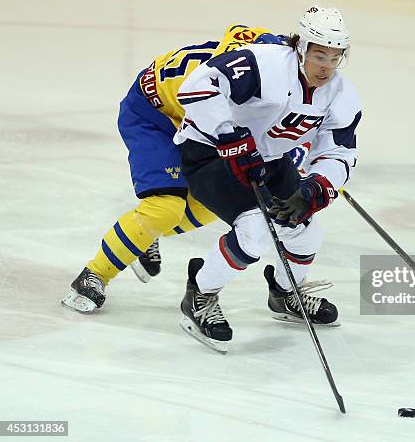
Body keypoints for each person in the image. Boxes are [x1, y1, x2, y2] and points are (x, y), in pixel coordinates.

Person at [176, 5, 362, 352]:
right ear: (302, 47)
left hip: (269, 161)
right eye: (319, 54)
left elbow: (338, 151)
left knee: (306, 233)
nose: (326, 66)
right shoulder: (265, 64)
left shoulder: (341, 94)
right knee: (254, 233)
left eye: (335, 57)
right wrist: (228, 134)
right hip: (209, 155)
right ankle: (200, 294)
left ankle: (284, 294)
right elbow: (197, 87)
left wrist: (316, 187)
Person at [61, 24, 278, 313]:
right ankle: (94, 275)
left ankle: (143, 236)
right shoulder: (220, 78)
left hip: (189, 120)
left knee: (210, 204)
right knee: (164, 207)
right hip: (153, 117)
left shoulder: (262, 68)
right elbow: (215, 130)